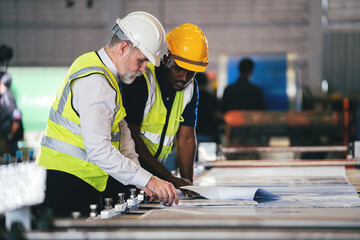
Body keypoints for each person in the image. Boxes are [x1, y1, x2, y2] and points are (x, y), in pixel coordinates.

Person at [36, 11, 178, 217]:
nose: (143, 68)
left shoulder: (100, 72)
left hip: (75, 179)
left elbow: (125, 142)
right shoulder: (97, 83)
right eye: (141, 60)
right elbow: (99, 150)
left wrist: (141, 182)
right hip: (69, 180)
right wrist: (149, 180)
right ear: (123, 48)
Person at [121, 23, 209, 192]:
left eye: (191, 72)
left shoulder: (191, 89)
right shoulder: (143, 79)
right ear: (167, 59)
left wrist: (188, 184)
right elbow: (130, 135)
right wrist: (168, 178)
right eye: (179, 69)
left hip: (156, 174)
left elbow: (186, 138)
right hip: (129, 172)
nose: (184, 78)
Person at [0, 73, 24, 156]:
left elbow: (17, 117)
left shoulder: (7, 96)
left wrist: (10, 135)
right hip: (8, 137)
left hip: (10, 138)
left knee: (9, 162)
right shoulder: (4, 96)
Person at [196, 72, 219, 143]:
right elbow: (216, 116)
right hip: (209, 135)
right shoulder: (213, 99)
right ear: (206, 83)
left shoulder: (189, 99)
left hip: (193, 135)